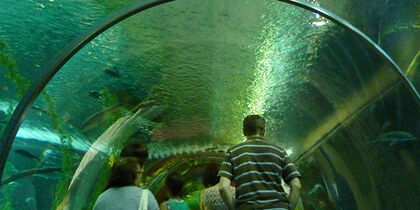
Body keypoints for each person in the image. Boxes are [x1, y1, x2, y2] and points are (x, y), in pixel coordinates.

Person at [218, 115, 302, 210]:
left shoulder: (232, 152)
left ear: (244, 131)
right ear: (263, 131)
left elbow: (223, 188)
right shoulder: (280, 151)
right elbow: (296, 185)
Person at [93, 157, 159, 210]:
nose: (141, 176)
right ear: (133, 175)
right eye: (140, 172)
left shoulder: (102, 198)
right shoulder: (145, 196)